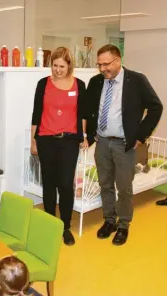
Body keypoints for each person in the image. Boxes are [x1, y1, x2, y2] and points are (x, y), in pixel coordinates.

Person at [85, 44, 163, 246]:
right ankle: (109, 220)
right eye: (99, 64)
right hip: (102, 142)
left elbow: (156, 107)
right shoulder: (95, 82)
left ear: (118, 60)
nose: (102, 68)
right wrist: (89, 134)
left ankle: (123, 225)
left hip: (124, 145)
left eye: (106, 64)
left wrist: (140, 135)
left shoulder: (136, 80)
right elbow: (88, 109)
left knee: (124, 187)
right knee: (105, 184)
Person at [31, 47, 88, 246]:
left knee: (65, 184)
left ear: (69, 66)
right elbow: (36, 114)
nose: (57, 70)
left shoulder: (79, 85)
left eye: (62, 66)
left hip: (69, 141)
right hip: (46, 139)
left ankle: (65, 227)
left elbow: (82, 114)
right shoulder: (43, 84)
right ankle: (49, 224)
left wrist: (83, 137)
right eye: (54, 65)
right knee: (48, 182)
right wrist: (34, 141)